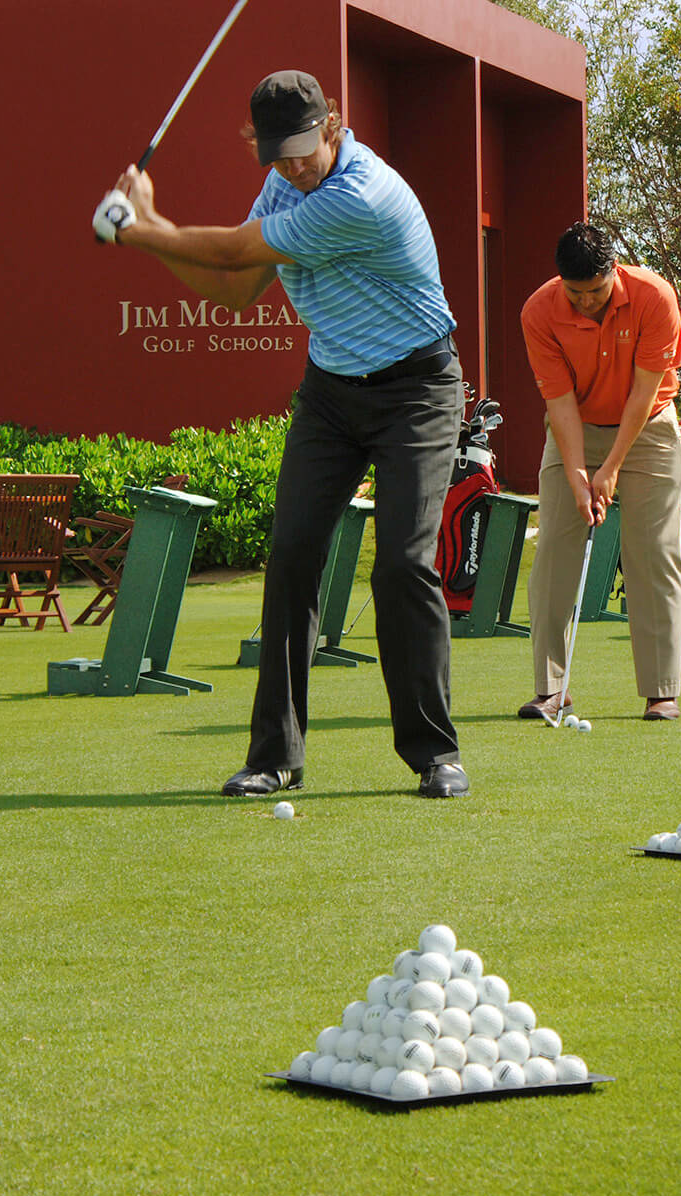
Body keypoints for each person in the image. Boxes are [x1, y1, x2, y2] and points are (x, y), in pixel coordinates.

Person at [97, 69, 470, 799]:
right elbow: (237, 287)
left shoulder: (359, 195)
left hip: (418, 389)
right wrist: (145, 237)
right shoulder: (283, 186)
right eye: (279, 154)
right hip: (332, 392)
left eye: (304, 148)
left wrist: (138, 226)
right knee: (293, 555)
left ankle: (435, 753)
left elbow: (234, 254)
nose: (294, 165)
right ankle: (274, 756)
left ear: (332, 126)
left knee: (400, 562)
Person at [519, 223, 681, 721]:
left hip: (649, 428)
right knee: (553, 549)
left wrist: (610, 468)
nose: (586, 301)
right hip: (575, 428)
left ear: (614, 271)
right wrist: (576, 472)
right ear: (560, 282)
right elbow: (559, 402)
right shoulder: (539, 312)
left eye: (596, 290)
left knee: (654, 552)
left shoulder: (655, 297)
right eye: (575, 292)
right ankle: (551, 687)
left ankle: (661, 690)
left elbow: (644, 393)